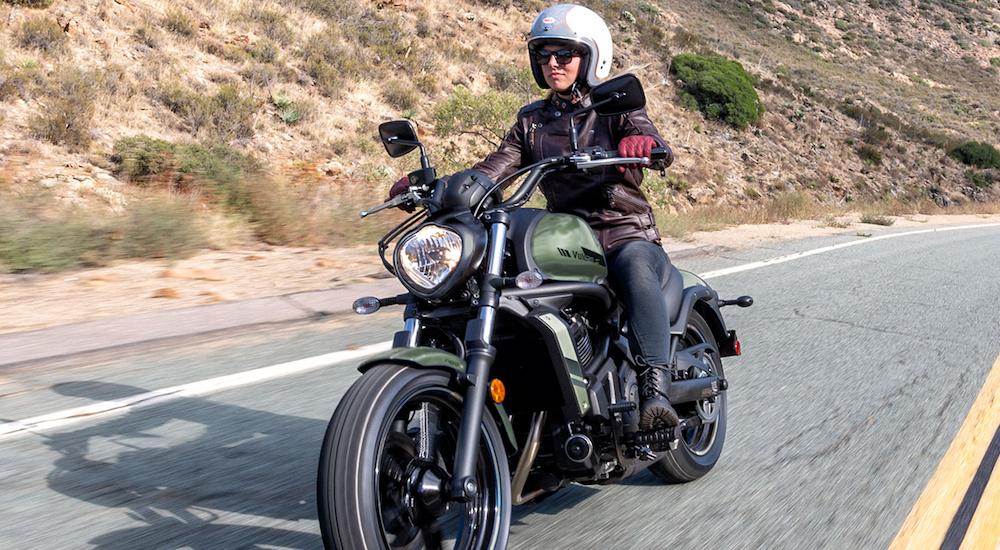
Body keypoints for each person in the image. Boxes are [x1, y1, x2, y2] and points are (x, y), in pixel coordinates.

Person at [391, 4, 679, 431]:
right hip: (566, 239)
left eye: (564, 53)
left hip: (623, 233)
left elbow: (653, 139)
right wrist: (438, 188)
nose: (552, 63)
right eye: (543, 55)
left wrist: (641, 142)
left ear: (591, 57)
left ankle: (655, 390)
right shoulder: (531, 121)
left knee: (635, 268)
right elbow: (493, 169)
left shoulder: (615, 106)